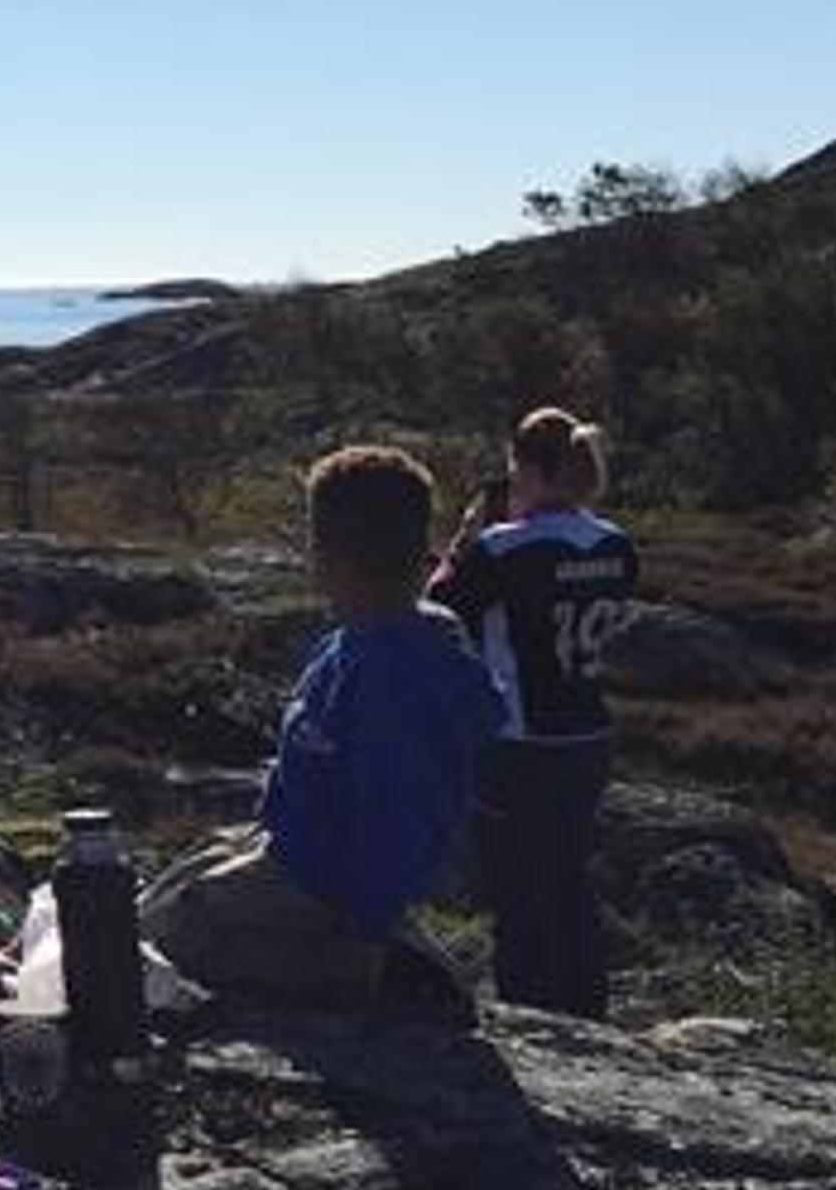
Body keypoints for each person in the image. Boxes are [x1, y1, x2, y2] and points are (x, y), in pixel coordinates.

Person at [143, 445, 502, 1006]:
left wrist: (366, 939)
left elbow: (395, 820)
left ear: (330, 560)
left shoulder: (396, 676)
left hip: (325, 891)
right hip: (291, 854)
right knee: (166, 895)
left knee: (162, 939)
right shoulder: (359, 638)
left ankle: (391, 972)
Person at [432, 407, 635, 1017]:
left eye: (513, 468)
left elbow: (439, 610)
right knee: (573, 880)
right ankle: (588, 1012)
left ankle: (534, 1024)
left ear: (531, 469)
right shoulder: (615, 543)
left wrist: (464, 542)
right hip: (588, 734)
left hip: (519, 742)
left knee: (520, 893)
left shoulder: (501, 549)